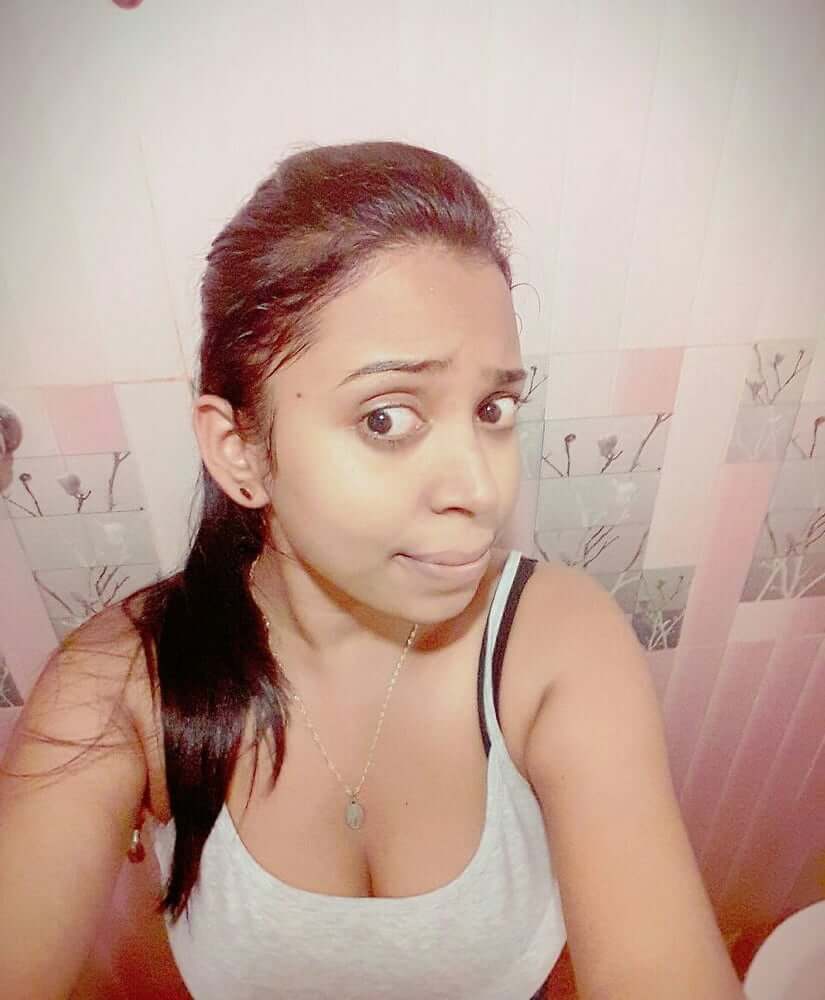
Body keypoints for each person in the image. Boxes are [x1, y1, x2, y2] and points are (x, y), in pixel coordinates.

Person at [0, 140, 745, 999]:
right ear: (239, 450)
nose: (480, 488)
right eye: (387, 418)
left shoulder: (556, 643)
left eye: (493, 407)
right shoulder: (120, 684)